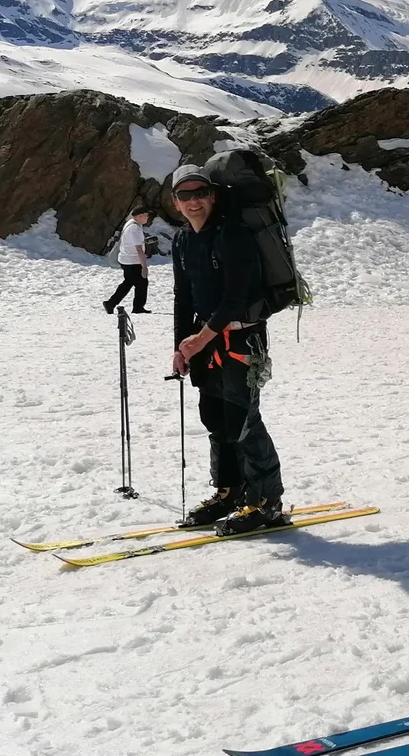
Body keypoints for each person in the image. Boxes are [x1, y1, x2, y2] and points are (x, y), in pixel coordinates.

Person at [168, 164, 285, 533]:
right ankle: (230, 491)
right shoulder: (182, 240)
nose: (193, 201)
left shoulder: (233, 235)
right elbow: (182, 297)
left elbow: (236, 297)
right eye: (185, 196)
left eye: (199, 193)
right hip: (207, 341)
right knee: (215, 417)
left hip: (241, 339)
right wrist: (180, 348)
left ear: (213, 196)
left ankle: (266, 502)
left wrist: (200, 338)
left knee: (243, 420)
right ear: (175, 203)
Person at [104, 204, 153, 314]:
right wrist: (144, 267)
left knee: (128, 283)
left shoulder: (131, 223)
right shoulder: (135, 229)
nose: (148, 217)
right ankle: (137, 308)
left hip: (126, 259)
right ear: (140, 216)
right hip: (132, 261)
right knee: (141, 283)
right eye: (146, 215)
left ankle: (111, 303)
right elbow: (139, 249)